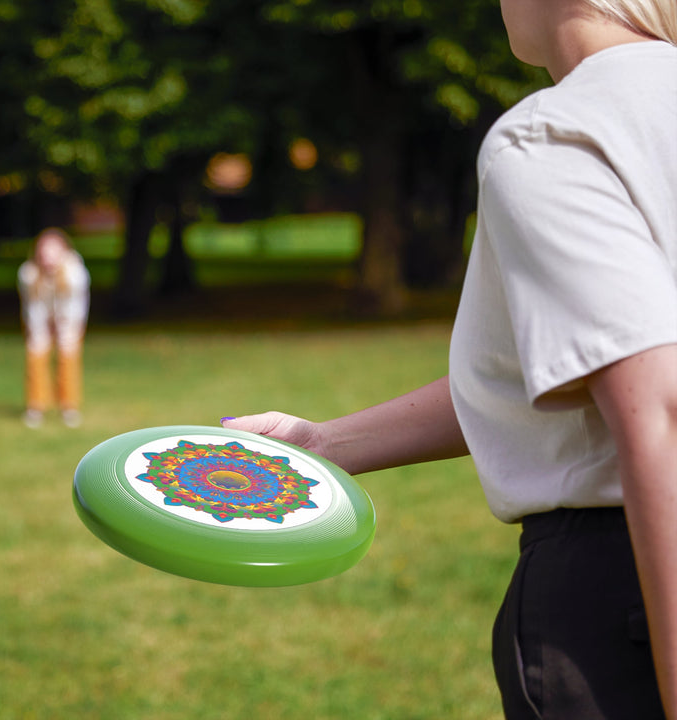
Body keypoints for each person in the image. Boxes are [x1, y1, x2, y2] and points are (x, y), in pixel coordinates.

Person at [221, 1, 677, 717]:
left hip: (626, 595)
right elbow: (566, 370)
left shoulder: (557, 134)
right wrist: (324, 443)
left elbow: (658, 408)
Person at [17, 227, 90, 428]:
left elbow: (75, 306)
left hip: (69, 319)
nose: (48, 257)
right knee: (36, 354)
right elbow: (33, 306)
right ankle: (36, 406)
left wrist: (63, 327)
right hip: (39, 319)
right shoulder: (28, 274)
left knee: (68, 357)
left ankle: (69, 406)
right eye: (44, 251)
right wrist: (41, 329)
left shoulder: (75, 273)